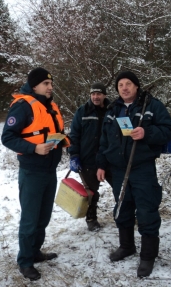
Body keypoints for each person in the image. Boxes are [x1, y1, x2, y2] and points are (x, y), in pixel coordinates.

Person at [96, 71, 171, 277]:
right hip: (119, 170)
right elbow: (105, 141)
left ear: (136, 86)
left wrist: (147, 133)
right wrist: (101, 164)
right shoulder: (113, 109)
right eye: (120, 85)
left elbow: (168, 130)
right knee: (122, 207)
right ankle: (127, 246)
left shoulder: (151, 105)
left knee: (147, 210)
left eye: (128, 83)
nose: (124, 88)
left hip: (142, 168)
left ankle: (148, 256)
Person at [1, 67, 70, 281]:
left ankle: (36, 251)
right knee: (30, 220)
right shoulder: (23, 106)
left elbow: (49, 132)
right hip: (32, 172)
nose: (50, 87)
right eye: (46, 84)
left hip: (50, 171)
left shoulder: (49, 106)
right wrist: (34, 148)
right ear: (35, 86)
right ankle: (25, 261)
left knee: (43, 217)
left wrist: (63, 141)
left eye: (51, 84)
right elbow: (8, 137)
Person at [68, 82, 113, 231]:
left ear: (104, 95)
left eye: (99, 94)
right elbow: (74, 135)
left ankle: (124, 214)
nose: (95, 96)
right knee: (91, 193)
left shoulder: (112, 110)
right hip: (88, 158)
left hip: (110, 158)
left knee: (121, 188)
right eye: (93, 94)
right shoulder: (83, 111)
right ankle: (91, 218)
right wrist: (74, 154)